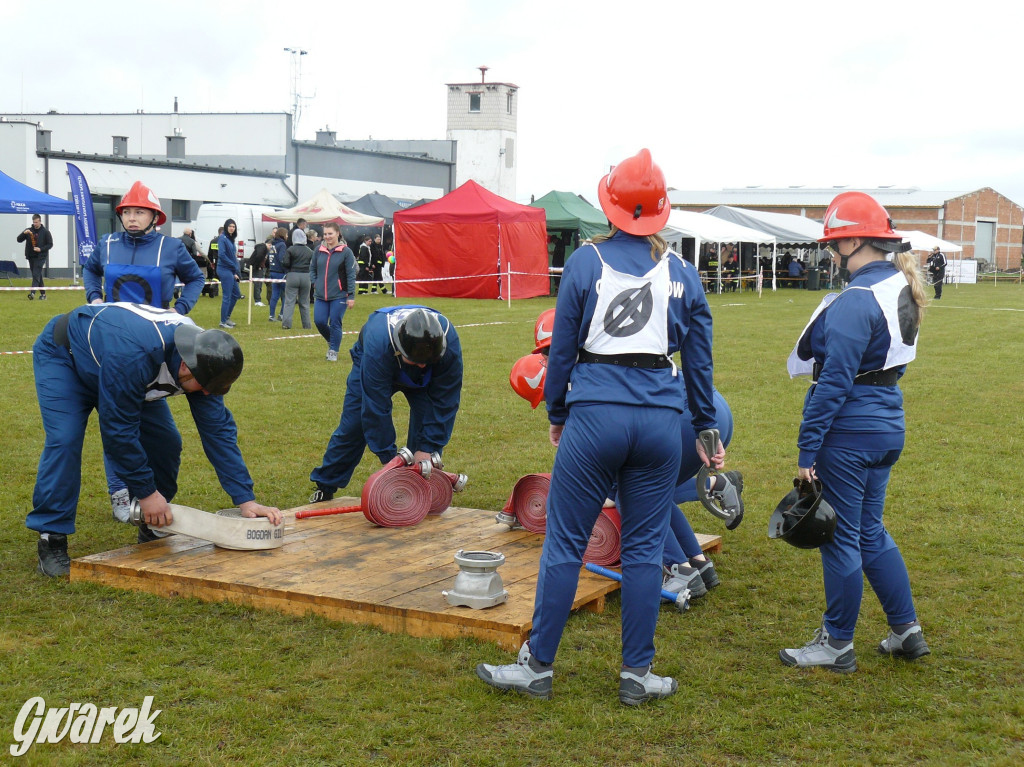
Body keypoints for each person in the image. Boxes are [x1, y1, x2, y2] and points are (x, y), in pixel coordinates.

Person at [476, 149, 724, 706]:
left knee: (564, 543)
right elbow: (701, 367)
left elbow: (560, 351)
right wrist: (707, 431)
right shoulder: (684, 273)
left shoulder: (587, 262)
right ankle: (637, 674)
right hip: (663, 422)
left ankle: (538, 666)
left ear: (611, 207)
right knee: (641, 550)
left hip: (595, 417)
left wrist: (558, 414)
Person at [781, 190, 930, 673]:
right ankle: (906, 630)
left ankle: (837, 644)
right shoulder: (899, 286)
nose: (830, 253)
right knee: (869, 531)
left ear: (855, 243)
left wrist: (808, 448)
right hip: (886, 421)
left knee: (840, 537)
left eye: (834, 243)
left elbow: (833, 385)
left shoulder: (857, 298)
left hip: (851, 429)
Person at [29, 303, 282, 577]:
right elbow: (118, 433)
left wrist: (245, 499)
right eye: (206, 387)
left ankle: (151, 522)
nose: (208, 395)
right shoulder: (135, 355)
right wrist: (147, 492)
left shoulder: (204, 362)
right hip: (67, 357)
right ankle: (51, 537)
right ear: (186, 366)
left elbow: (218, 432)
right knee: (64, 441)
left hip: (124, 369)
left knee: (166, 443)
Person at [83, 182, 207, 522]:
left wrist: (181, 308)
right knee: (118, 417)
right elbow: (91, 269)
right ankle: (119, 491)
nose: (132, 218)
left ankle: (148, 492)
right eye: (126, 212)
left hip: (154, 348)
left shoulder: (171, 248)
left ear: (155, 216)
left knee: (154, 430)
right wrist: (93, 296)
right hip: (112, 347)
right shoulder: (106, 244)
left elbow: (196, 278)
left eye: (139, 212)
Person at [309, 306, 462, 501]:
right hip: (374, 361)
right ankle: (326, 485)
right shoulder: (378, 345)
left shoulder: (449, 344)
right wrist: (391, 459)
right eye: (416, 361)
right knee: (353, 426)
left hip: (425, 379)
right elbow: (375, 407)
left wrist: (427, 448)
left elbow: (445, 400)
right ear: (400, 347)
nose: (422, 365)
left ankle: (418, 489)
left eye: (428, 361)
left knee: (426, 426)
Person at [310, 223, 356, 362]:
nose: (327, 236)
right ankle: (332, 340)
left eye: (330, 233)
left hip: (339, 294)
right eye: (325, 234)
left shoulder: (346, 252)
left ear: (337, 233)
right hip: (321, 294)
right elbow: (312, 269)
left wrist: (351, 295)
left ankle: (333, 350)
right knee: (319, 321)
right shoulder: (318, 250)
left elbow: (351, 274)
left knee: (335, 322)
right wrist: (315, 282)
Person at [280, 234, 313, 330]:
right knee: (305, 302)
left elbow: (285, 263)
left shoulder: (290, 249)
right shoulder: (310, 251)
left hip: (293, 275)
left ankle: (286, 324)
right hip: (306, 276)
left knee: (289, 301)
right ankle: (307, 325)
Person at [17, 214, 53, 300]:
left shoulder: (45, 232)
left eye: (36, 222)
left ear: (40, 221)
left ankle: (32, 293)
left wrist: (40, 249)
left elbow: (50, 244)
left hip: (40, 257)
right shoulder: (29, 230)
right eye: (34, 222)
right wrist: (23, 233)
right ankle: (43, 295)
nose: (35, 224)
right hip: (31, 256)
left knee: (36, 274)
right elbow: (18, 240)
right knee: (37, 275)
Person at [215, 219, 242, 328]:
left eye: (234, 226)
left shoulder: (230, 239)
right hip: (224, 269)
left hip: (230, 270)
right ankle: (222, 321)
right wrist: (233, 265)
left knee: (236, 294)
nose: (232, 228)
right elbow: (222, 255)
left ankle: (227, 317)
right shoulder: (222, 238)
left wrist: (234, 271)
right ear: (226, 227)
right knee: (227, 296)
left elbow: (232, 255)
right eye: (230, 226)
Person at [267, 227, 288, 321]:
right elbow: (282, 259)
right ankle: (282, 314)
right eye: (286, 234)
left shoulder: (273, 245)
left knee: (275, 294)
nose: (287, 236)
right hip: (280, 273)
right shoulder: (282, 245)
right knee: (285, 295)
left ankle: (271, 315)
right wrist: (286, 270)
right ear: (283, 235)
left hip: (272, 271)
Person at [249, 235, 272, 306]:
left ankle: (258, 300)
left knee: (259, 284)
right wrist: (258, 265)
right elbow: (259, 256)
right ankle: (257, 301)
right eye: (271, 246)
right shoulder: (262, 247)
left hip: (259, 268)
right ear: (269, 244)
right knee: (257, 284)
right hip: (256, 268)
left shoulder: (264, 249)